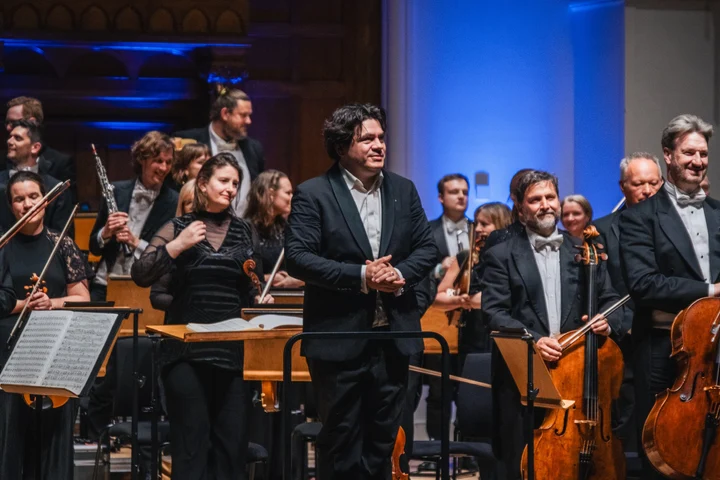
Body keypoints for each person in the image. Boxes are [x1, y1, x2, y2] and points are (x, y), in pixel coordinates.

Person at [285, 103, 436, 479]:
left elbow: (427, 249)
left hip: (393, 337)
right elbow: (299, 258)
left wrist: (398, 273)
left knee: (384, 442)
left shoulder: (403, 189)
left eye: (381, 137)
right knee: (341, 442)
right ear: (341, 147)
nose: (378, 145)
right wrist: (363, 276)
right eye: (366, 138)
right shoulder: (313, 193)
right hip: (339, 337)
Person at [132, 153, 273, 479]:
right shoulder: (177, 227)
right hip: (185, 354)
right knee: (192, 447)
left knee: (231, 448)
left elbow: (251, 288)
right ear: (204, 183)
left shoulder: (245, 231)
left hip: (232, 354)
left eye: (235, 184)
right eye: (224, 181)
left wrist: (259, 297)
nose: (230, 189)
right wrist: (176, 246)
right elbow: (140, 274)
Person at [481, 170, 623, 480]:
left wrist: (607, 321)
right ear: (520, 208)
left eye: (550, 197)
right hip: (524, 375)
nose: (546, 205)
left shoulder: (584, 251)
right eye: (535, 200)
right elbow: (493, 312)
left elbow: (612, 300)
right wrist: (532, 339)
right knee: (521, 462)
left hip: (576, 374)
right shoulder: (500, 255)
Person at [619, 114, 720, 479]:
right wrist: (711, 291)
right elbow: (644, 285)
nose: (697, 161)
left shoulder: (718, 213)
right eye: (689, 153)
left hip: (715, 349)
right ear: (669, 155)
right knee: (662, 450)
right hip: (665, 348)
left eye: (703, 154)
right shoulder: (640, 217)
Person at [0, 171, 92, 480]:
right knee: (10, 437)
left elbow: (81, 297)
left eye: (33, 196)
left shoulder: (61, 243)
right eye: (18, 198)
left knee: (52, 439)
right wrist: (25, 305)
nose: (27, 204)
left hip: (53, 351)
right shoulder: (2, 247)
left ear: (45, 200)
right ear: (10, 205)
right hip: (8, 352)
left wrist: (50, 303)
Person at [88, 131, 178, 301]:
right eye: (158, 161)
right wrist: (106, 232)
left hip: (143, 287)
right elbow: (93, 246)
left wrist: (135, 242)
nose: (164, 168)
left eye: (168, 162)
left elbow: (169, 255)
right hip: (105, 283)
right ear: (142, 159)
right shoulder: (115, 191)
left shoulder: (174, 201)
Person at [174, 87, 265, 218]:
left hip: (244, 230)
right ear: (225, 114)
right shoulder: (190, 141)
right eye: (243, 115)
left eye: (249, 115)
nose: (248, 121)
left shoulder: (254, 148)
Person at [0, 119, 73, 233]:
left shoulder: (57, 189)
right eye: (10, 137)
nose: (9, 141)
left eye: (17, 138)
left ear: (35, 147)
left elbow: (64, 236)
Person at [3, 96, 76, 197]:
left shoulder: (60, 163)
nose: (8, 127)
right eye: (7, 122)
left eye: (14, 122)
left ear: (33, 122)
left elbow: (67, 206)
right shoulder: (2, 161)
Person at [245, 170, 303, 287]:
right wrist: (268, 278)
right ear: (271, 194)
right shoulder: (245, 229)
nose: (292, 198)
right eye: (288, 193)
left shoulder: (289, 228)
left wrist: (296, 280)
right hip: (258, 297)